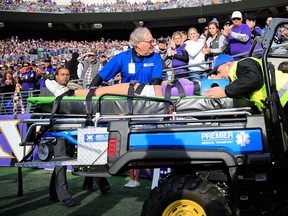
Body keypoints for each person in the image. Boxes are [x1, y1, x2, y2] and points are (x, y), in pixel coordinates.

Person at [39, 67, 76, 207]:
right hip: (55, 131)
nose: (65, 77)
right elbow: (41, 109)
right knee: (61, 160)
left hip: (71, 128)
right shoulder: (46, 90)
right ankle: (64, 195)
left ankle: (53, 193)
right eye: (62, 74)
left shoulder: (71, 91)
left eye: (67, 75)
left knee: (68, 159)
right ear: (56, 76)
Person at [204, 54, 288, 113]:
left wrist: (225, 91)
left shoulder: (242, 63)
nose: (219, 76)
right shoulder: (237, 78)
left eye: (218, 72)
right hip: (280, 103)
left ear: (228, 64)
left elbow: (253, 80)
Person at [89, 27, 163, 88]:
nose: (153, 44)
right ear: (138, 44)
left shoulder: (156, 58)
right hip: (128, 101)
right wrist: (89, 96)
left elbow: (156, 82)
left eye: (152, 41)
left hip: (148, 101)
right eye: (150, 42)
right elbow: (100, 76)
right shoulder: (122, 58)